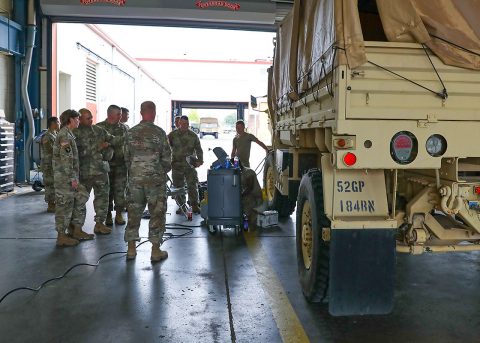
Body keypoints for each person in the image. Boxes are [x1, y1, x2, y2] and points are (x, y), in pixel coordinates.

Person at [124, 101, 171, 262]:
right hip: (155, 181)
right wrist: (159, 171)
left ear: (141, 112)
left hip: (135, 180)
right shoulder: (159, 133)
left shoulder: (130, 133)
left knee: (133, 213)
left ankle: (131, 249)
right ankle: (155, 250)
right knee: (157, 213)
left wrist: (135, 171)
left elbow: (126, 157)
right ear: (154, 112)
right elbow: (167, 159)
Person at [74, 108, 120, 235]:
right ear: (80, 119)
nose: (91, 120)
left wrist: (129, 137)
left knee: (103, 198)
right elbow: (76, 153)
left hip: (101, 171)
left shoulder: (98, 130)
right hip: (85, 172)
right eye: (87, 118)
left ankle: (100, 223)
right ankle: (77, 228)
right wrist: (98, 147)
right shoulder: (75, 133)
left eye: (91, 117)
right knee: (81, 200)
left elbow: (113, 139)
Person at [53, 109, 93, 247]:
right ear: (70, 119)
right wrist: (73, 179)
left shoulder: (69, 134)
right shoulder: (65, 136)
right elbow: (66, 160)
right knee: (64, 206)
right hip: (65, 179)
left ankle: (76, 230)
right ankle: (61, 236)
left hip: (69, 177)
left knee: (79, 199)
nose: (78, 121)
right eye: (77, 119)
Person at [97, 104, 128, 226]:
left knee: (121, 191)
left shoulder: (124, 128)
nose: (121, 116)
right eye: (118, 114)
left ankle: (119, 214)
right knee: (106, 191)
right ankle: (108, 215)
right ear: (110, 114)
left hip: (121, 165)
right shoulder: (99, 128)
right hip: (105, 166)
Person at [168, 115, 203, 214]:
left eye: (187, 124)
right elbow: (166, 148)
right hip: (176, 165)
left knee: (192, 185)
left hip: (189, 165)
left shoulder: (193, 135)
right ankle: (181, 206)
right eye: (183, 124)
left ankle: (194, 205)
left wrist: (200, 160)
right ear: (179, 123)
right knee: (179, 187)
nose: (185, 125)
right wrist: (166, 161)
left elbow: (198, 149)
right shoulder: (172, 135)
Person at [41, 116, 59, 213]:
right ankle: (50, 204)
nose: (59, 124)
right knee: (49, 184)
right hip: (48, 164)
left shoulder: (55, 134)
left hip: (54, 163)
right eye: (58, 122)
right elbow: (50, 150)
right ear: (53, 124)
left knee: (54, 184)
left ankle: (53, 202)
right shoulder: (47, 136)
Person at [240, 160, 263, 228]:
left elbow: (249, 188)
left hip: (255, 197)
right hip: (249, 195)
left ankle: (247, 225)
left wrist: (239, 196)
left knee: (244, 204)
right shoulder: (241, 172)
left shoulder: (249, 172)